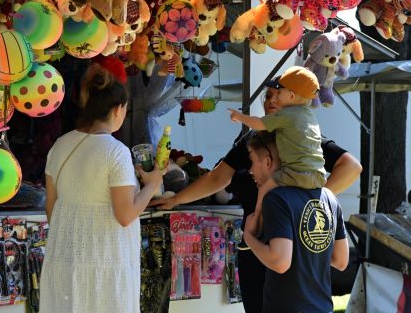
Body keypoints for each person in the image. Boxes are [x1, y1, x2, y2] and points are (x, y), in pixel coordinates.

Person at [150, 76, 362, 313]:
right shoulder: (254, 139)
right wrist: (176, 199)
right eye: (267, 96)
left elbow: (352, 167)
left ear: (292, 99)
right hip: (257, 248)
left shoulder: (304, 138)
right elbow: (219, 177)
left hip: (288, 248)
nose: (271, 100)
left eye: (276, 95)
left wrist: (311, 201)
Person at [40, 64, 164, 313]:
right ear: (119, 109)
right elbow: (125, 214)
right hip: (106, 261)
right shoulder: (115, 151)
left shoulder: (60, 145)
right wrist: (152, 184)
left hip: (66, 262)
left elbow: (52, 209)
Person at [243, 131, 349, 312]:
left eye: (252, 161)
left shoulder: (276, 199)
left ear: (268, 162)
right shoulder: (329, 197)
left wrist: (249, 238)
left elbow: (280, 262)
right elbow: (340, 260)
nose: (250, 170)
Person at [229, 66, 326, 191]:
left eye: (278, 93)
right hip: (319, 176)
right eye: (269, 96)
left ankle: (257, 211)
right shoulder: (310, 116)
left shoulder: (286, 115)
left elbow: (258, 123)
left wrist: (240, 117)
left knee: (264, 189)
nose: (274, 99)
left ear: (291, 96)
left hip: (296, 173)